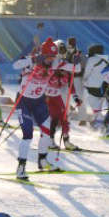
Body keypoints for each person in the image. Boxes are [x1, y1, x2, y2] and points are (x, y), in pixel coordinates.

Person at [11, 38, 76, 178]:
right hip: (24, 102)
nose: (51, 60)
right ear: (43, 55)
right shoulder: (32, 61)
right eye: (49, 57)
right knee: (28, 136)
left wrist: (74, 61)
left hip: (39, 102)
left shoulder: (56, 63)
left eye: (54, 57)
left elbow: (74, 68)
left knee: (47, 132)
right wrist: (31, 59)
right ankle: (21, 167)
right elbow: (15, 65)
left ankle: (43, 161)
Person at [44, 55, 82, 151]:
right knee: (55, 118)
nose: (65, 71)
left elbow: (71, 88)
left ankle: (66, 142)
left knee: (64, 119)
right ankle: (50, 141)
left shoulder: (68, 75)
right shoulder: (51, 73)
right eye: (62, 69)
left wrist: (76, 99)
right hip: (47, 98)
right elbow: (41, 82)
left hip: (57, 98)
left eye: (66, 69)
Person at [83, 44, 109, 127]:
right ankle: (98, 122)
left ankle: (99, 124)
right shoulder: (107, 60)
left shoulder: (91, 60)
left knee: (95, 106)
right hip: (104, 87)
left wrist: (84, 80)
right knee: (99, 105)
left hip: (92, 86)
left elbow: (87, 73)